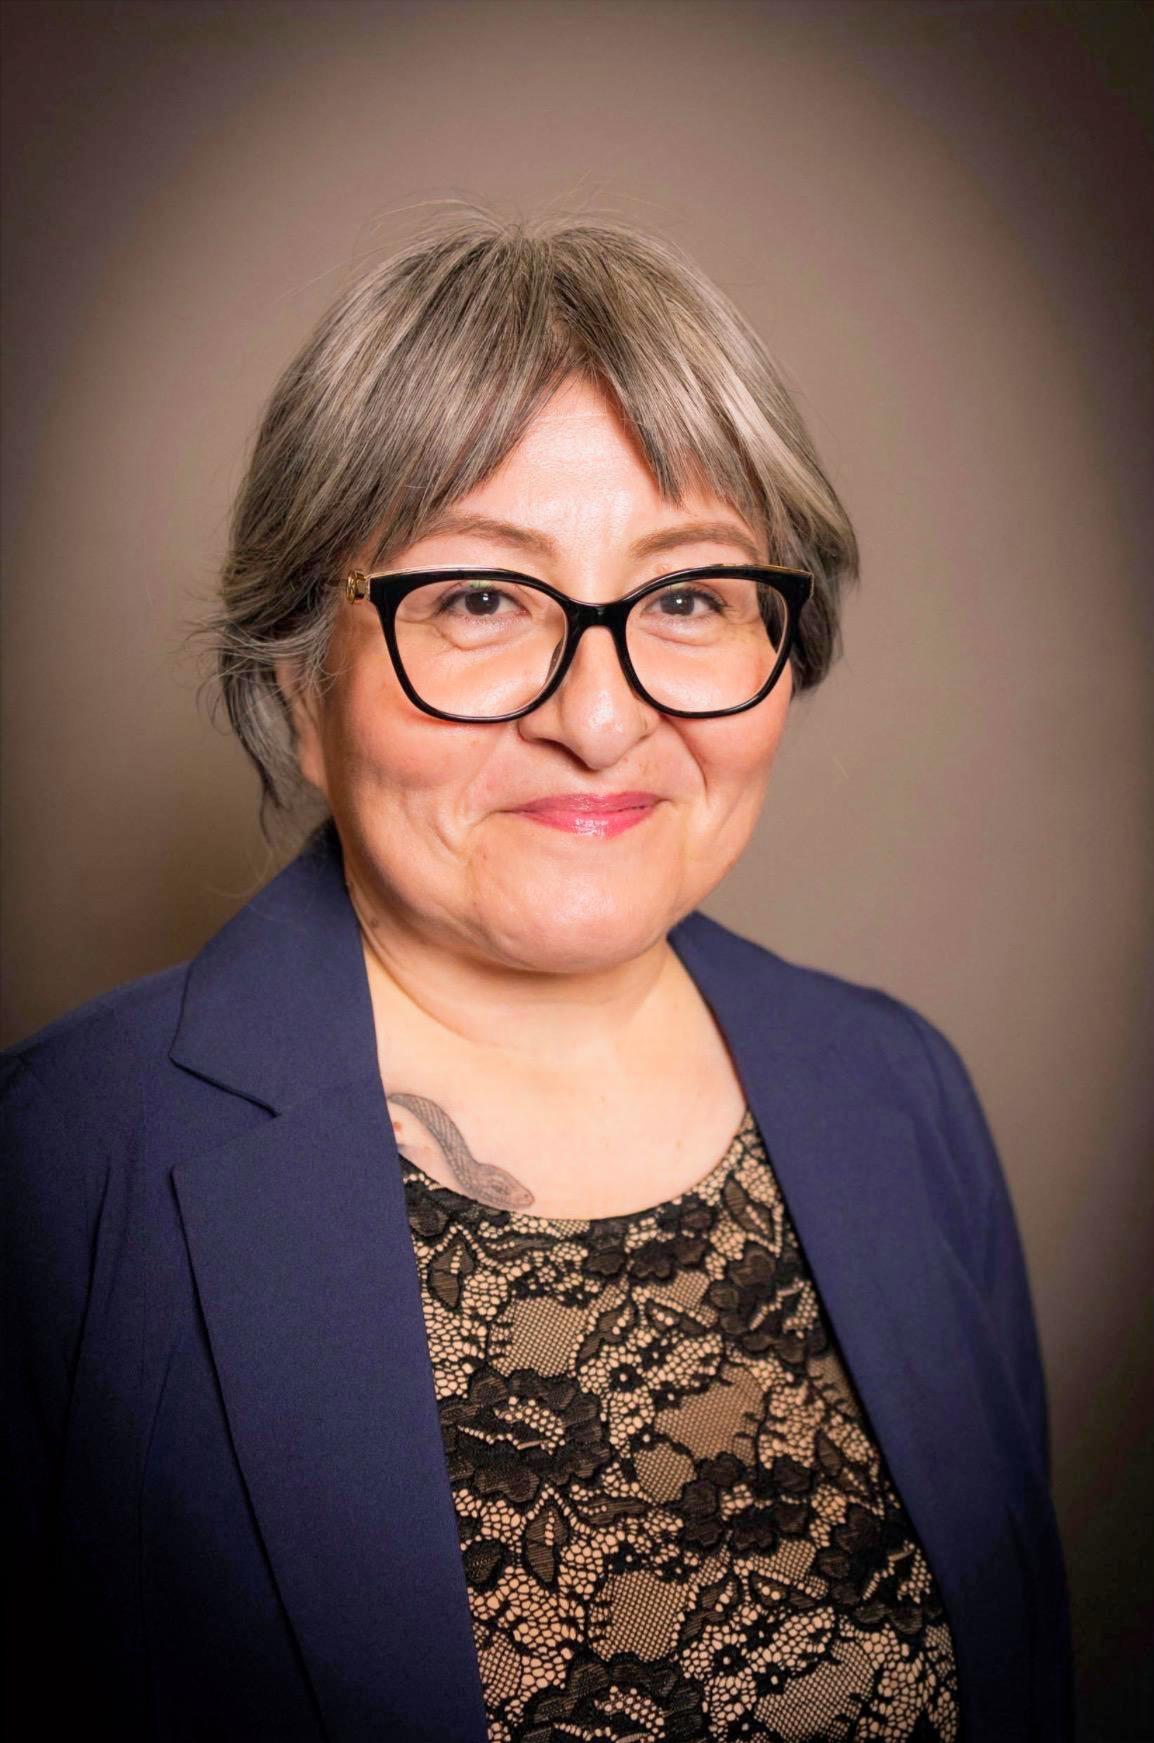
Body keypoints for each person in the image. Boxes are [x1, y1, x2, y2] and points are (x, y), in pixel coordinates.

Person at [3, 213, 1072, 1743]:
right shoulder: (56, 1165)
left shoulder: (902, 1093)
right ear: (301, 679)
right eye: (481, 599)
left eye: (689, 596)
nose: (598, 715)